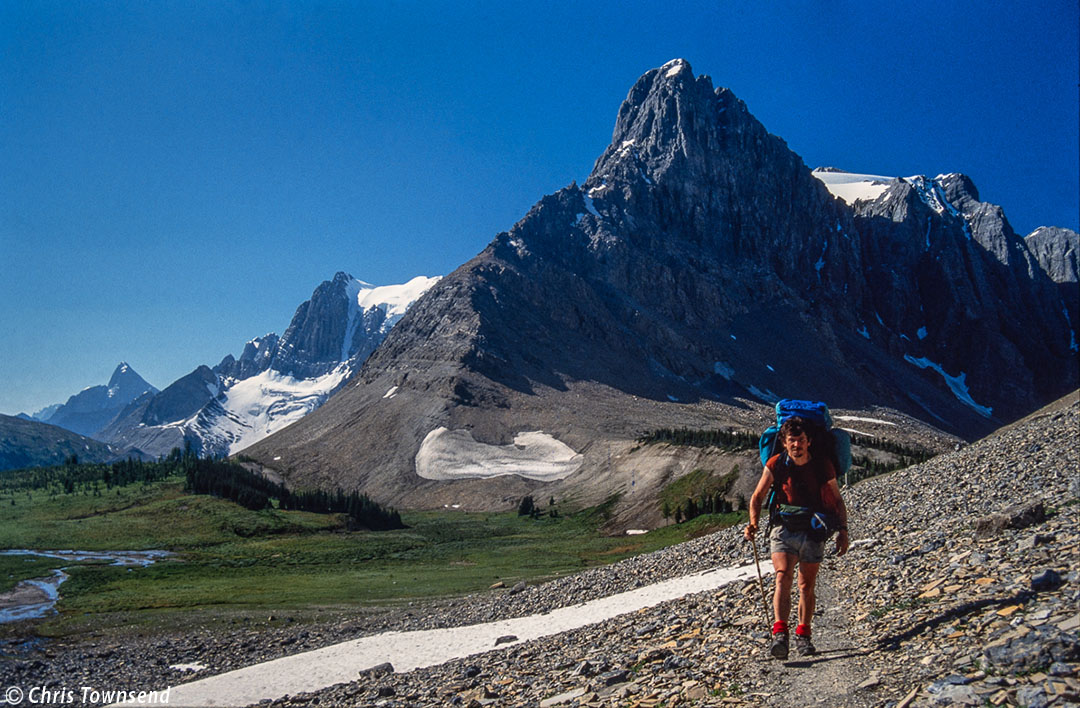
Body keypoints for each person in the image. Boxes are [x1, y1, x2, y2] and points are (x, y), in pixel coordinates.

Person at [744, 416, 849, 659]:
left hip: (813, 529)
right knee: (782, 576)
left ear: (809, 441)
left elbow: (837, 500)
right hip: (784, 527)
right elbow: (757, 497)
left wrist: (843, 530)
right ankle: (781, 633)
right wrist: (753, 523)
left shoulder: (823, 466)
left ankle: (803, 634)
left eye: (800, 440)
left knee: (805, 585)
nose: (796, 446)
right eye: (792, 441)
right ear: (784, 442)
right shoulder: (776, 463)